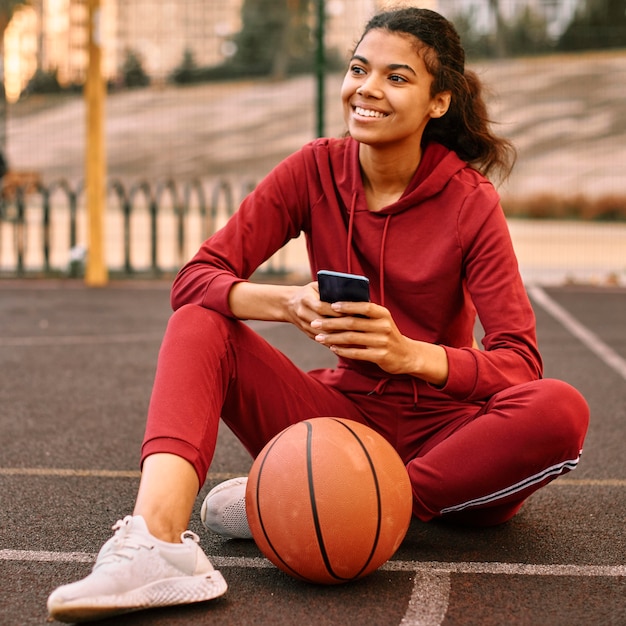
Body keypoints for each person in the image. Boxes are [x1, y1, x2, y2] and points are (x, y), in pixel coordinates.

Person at [47, 7, 589, 623]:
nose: (368, 89)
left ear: (438, 102)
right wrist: (287, 302)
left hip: (454, 446)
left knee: (560, 408)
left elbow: (519, 362)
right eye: (359, 69)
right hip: (343, 422)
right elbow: (195, 279)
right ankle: (157, 544)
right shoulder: (313, 170)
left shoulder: (470, 202)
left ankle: (325, 500)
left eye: (397, 77)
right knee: (199, 320)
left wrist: (408, 355)